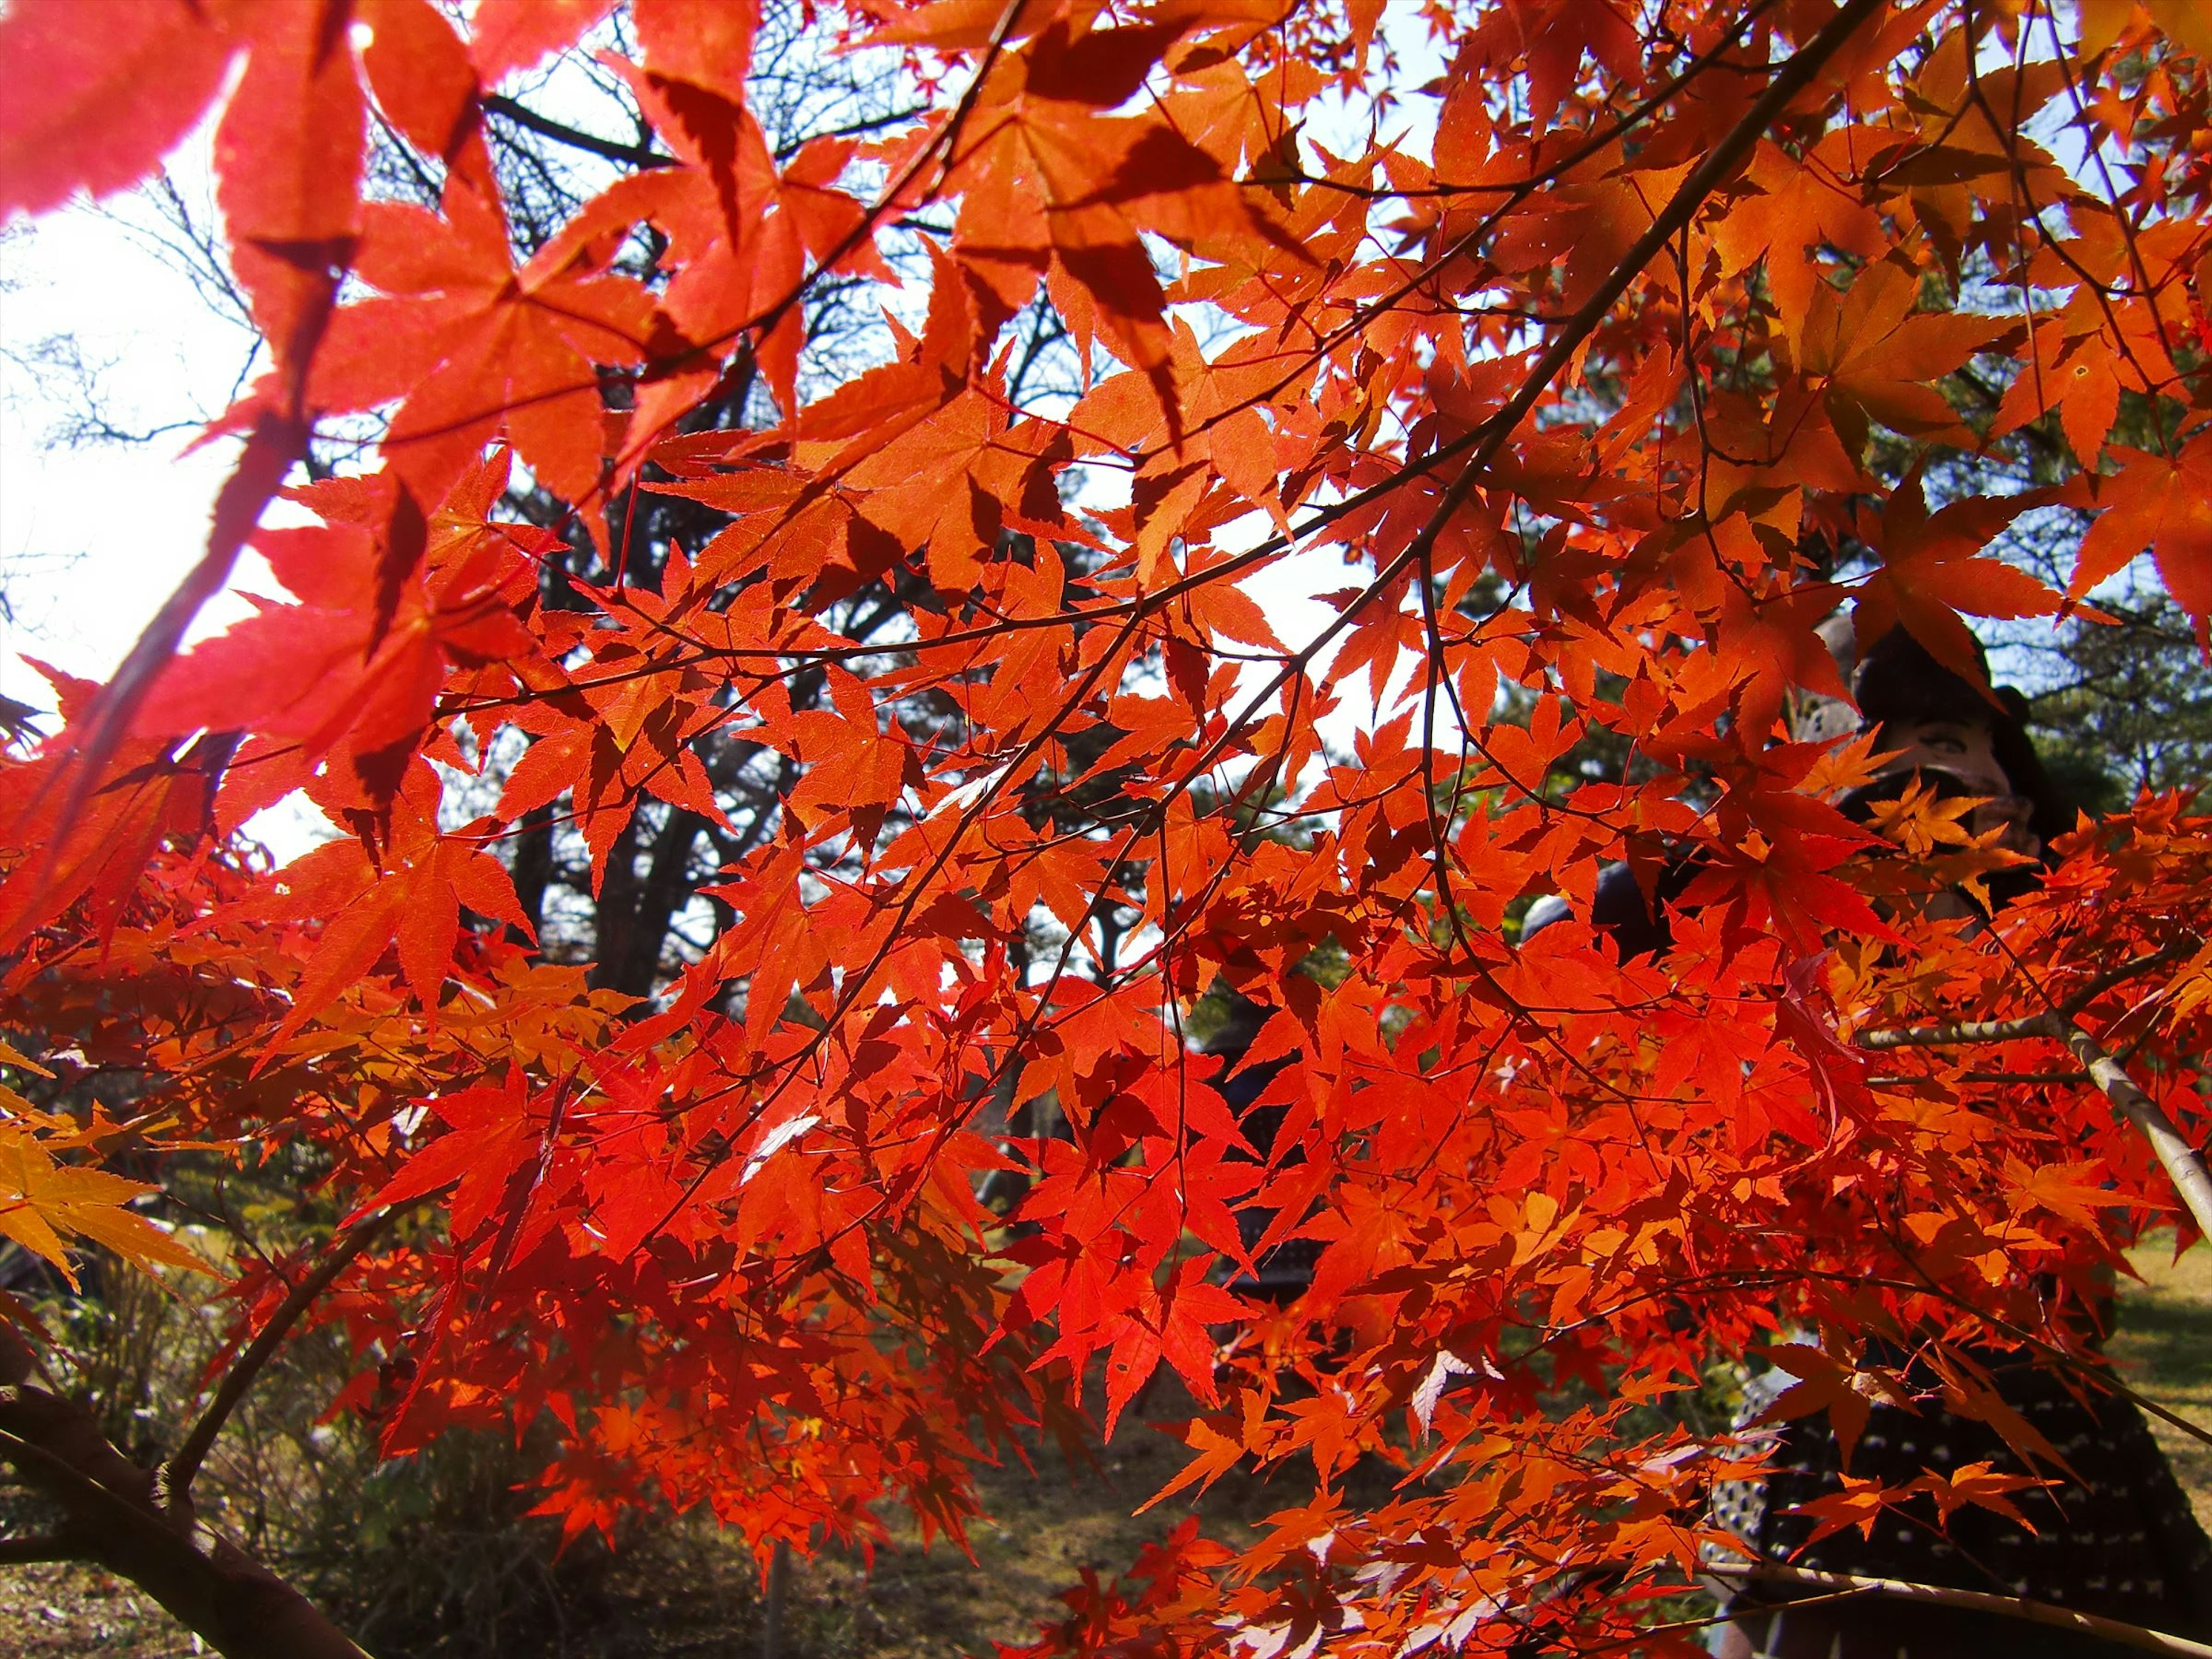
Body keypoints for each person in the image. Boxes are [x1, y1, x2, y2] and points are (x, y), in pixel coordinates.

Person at [1530, 622, 2212, 1656]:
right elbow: (1564, 927)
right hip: (1850, 1414)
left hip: (2051, 1415)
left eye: (1971, 741)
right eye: (1925, 743)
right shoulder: (1788, 964)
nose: (1960, 771)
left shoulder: (2083, 972)